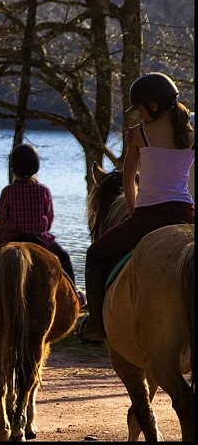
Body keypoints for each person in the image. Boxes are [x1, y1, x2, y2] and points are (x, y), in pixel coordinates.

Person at [77, 72, 195, 345]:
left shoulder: (141, 134)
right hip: (185, 214)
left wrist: (133, 212)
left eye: (140, 108)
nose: (139, 114)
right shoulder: (191, 136)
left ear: (153, 106)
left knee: (95, 255)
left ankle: (96, 323)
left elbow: (128, 178)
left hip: (149, 216)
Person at [0, 143, 86, 307]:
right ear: (35, 165)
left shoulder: (7, 191)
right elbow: (49, 218)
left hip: (13, 239)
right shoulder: (43, 190)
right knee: (64, 258)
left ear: (13, 167)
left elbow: (2, 218)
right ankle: (74, 296)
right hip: (40, 239)